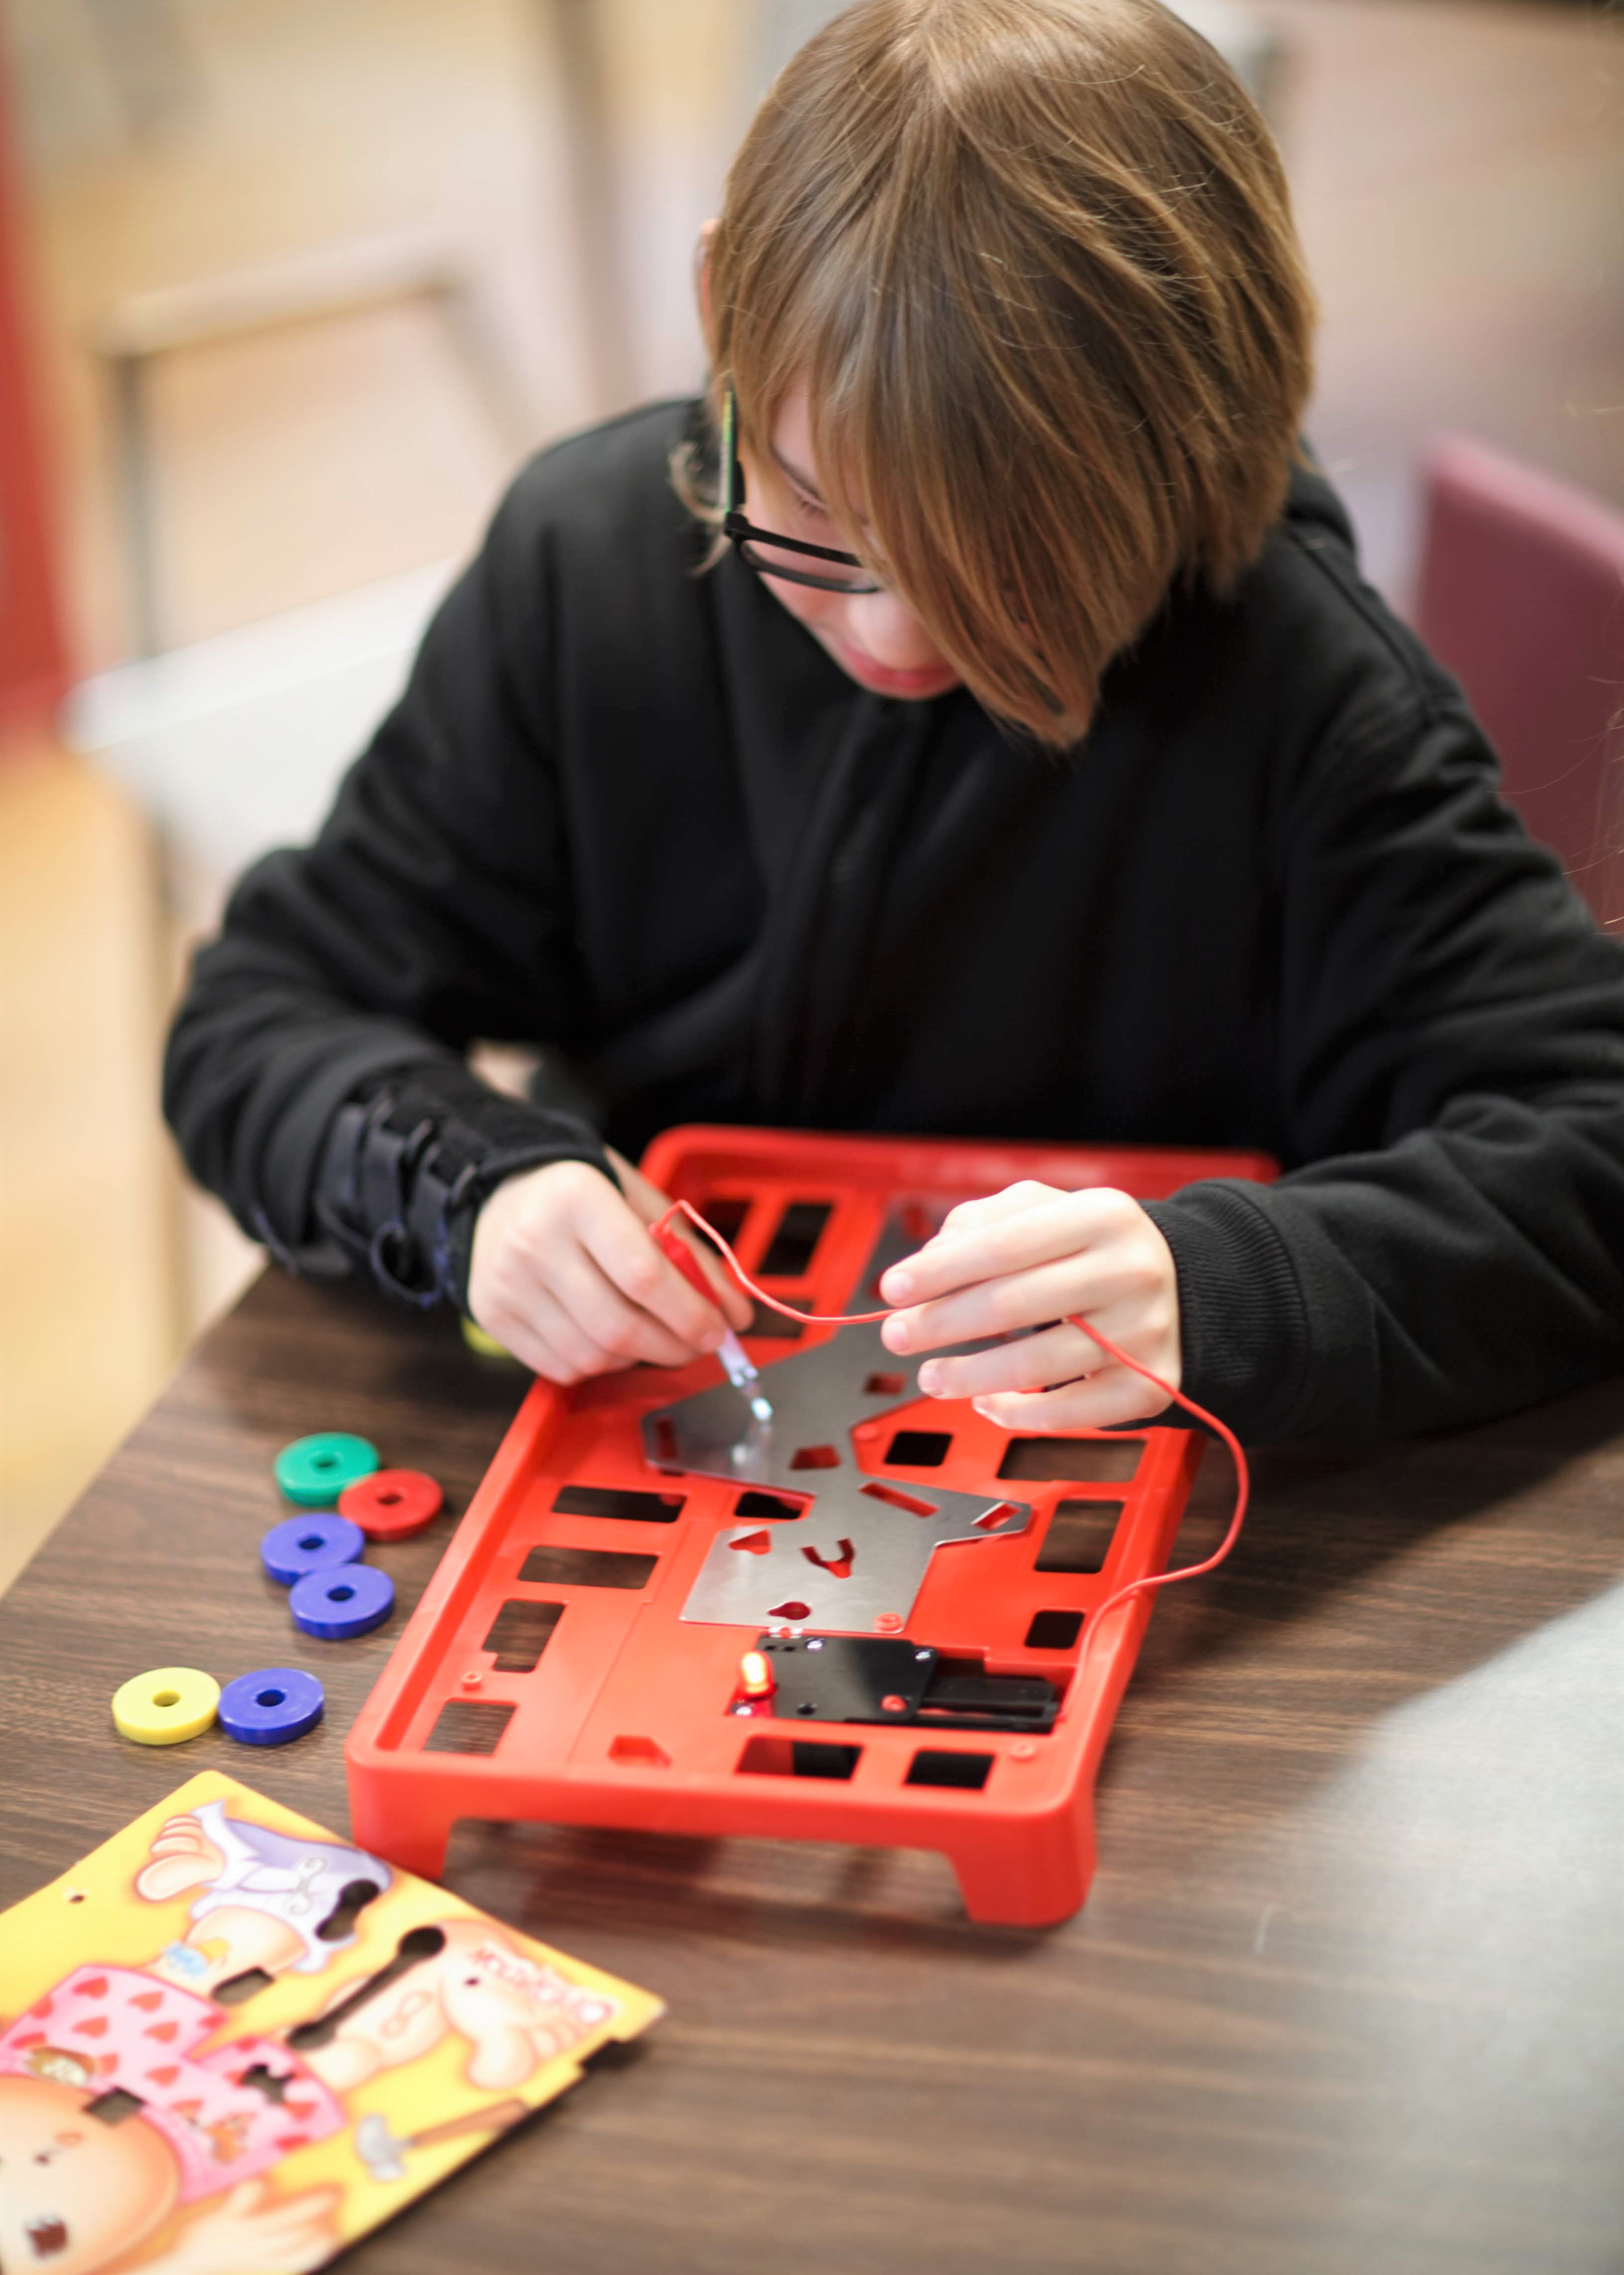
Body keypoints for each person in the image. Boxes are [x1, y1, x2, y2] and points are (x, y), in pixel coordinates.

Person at [164, 0, 1624, 1449]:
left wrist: (1224, 1283)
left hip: (1108, 1519)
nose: (893, 632)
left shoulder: (1307, 697)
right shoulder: (583, 572)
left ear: (1202, 429)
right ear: (723, 306)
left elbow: (1590, 1141)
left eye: (1010, 560)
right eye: (811, 511)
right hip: (663, 1467)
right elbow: (259, 1013)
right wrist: (474, 1186)